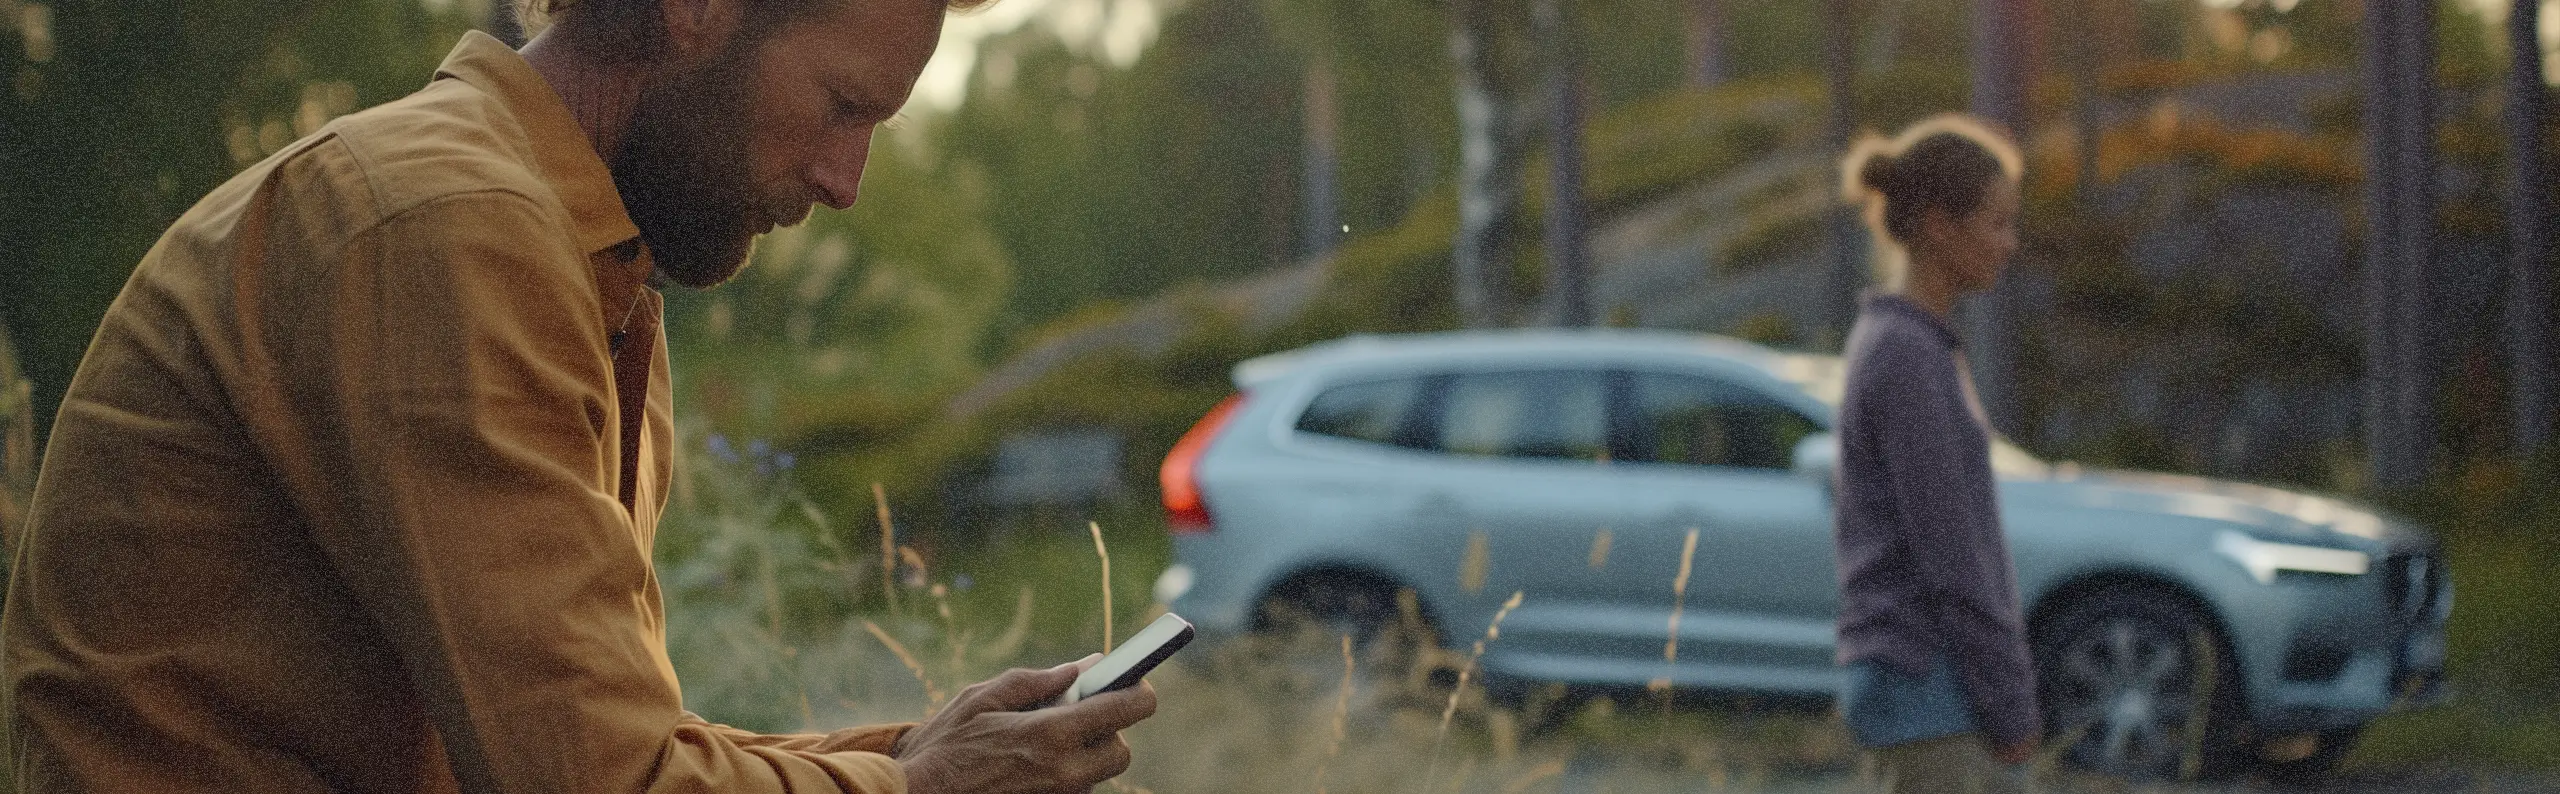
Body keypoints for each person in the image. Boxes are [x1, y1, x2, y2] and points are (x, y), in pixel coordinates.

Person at [0, 0, 1157, 790]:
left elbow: (596, 738)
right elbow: (598, 779)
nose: (844, 181)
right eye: (842, 105)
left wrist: (917, 748)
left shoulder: (575, 260)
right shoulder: (446, 224)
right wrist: (911, 782)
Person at [1830, 114, 2041, 794]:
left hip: (1933, 691)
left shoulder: (1914, 345)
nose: (2010, 244)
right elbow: (1951, 555)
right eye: (1997, 223)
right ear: (1939, 226)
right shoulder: (1905, 356)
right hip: (1925, 688)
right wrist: (2011, 706)